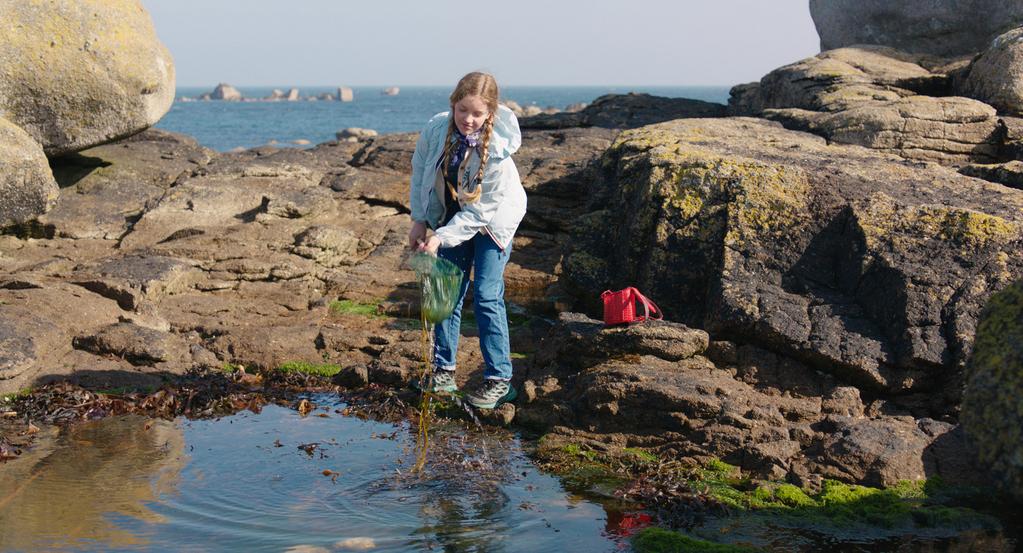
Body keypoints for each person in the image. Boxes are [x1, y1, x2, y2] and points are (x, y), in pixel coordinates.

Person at [407, 71, 526, 409]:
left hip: (492, 222)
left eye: (477, 113)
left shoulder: (498, 153)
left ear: (491, 113)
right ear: (453, 104)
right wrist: (420, 220)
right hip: (453, 212)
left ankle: (500, 379)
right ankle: (443, 371)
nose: (468, 120)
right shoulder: (436, 128)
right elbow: (421, 173)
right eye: (463, 111)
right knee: (445, 291)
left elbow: (479, 215)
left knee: (487, 295)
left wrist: (440, 238)